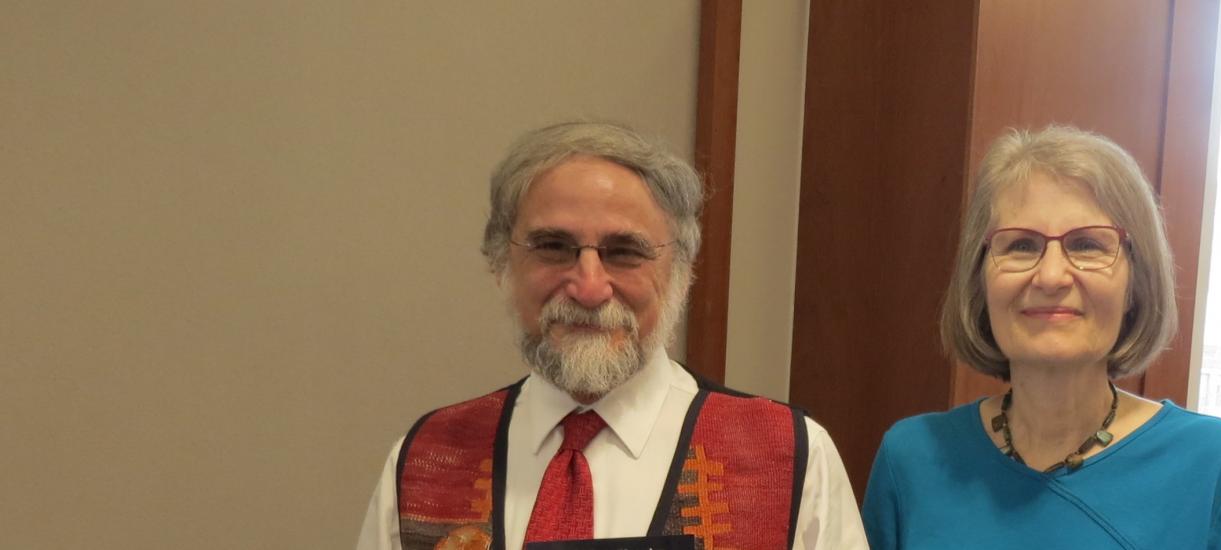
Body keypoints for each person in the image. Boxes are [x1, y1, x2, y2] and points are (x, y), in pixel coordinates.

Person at [357, 121, 867, 550]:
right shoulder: (426, 461)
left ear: (682, 270)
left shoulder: (787, 458)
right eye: (553, 246)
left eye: (624, 252)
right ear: (500, 263)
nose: (588, 286)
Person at [861, 126, 1221, 549]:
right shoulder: (912, 460)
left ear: (1136, 283)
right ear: (979, 279)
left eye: (1087, 245)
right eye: (1021, 245)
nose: (1052, 276)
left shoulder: (1217, 468)